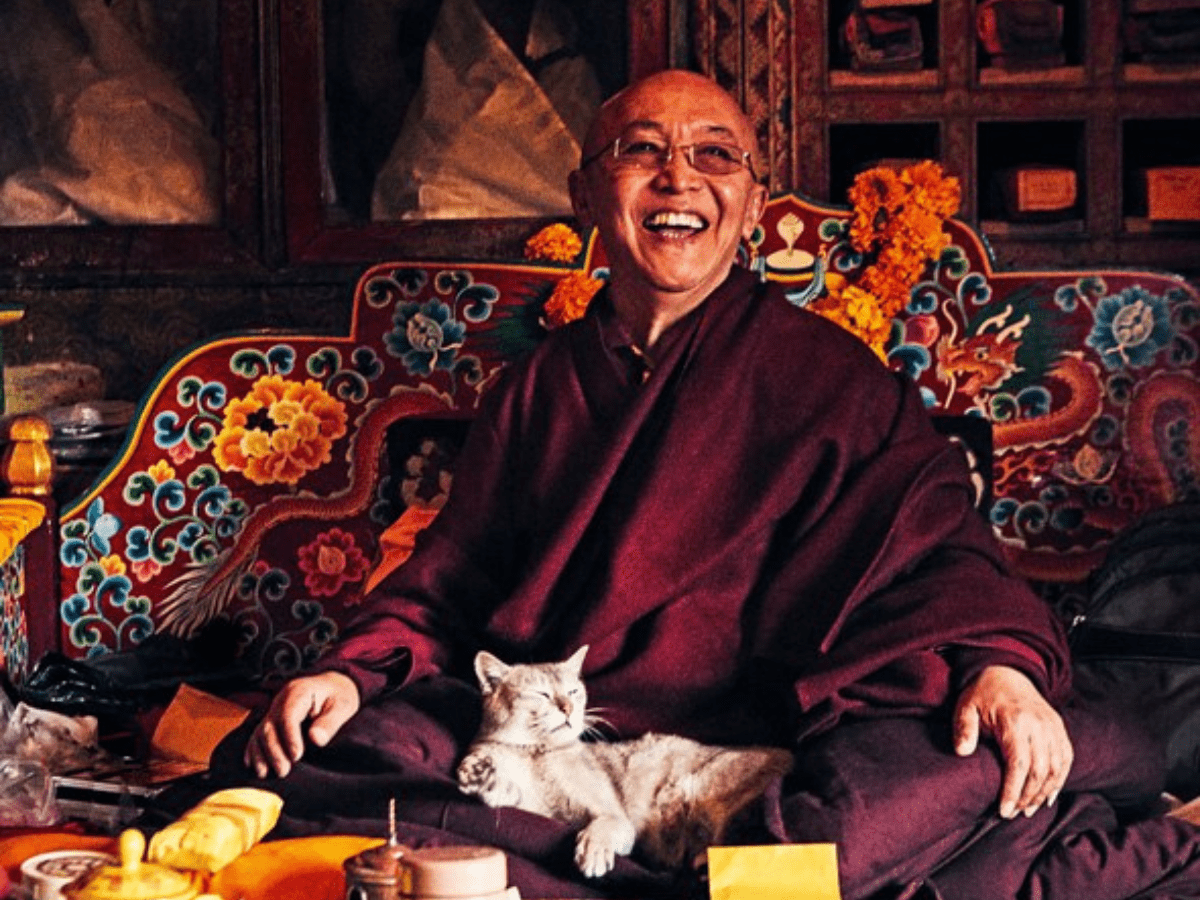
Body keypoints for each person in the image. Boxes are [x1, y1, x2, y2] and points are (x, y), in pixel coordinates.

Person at [233, 70, 1200, 899]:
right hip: (570, 742)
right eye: (641, 150)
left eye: (715, 155)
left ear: (751, 199)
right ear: (585, 191)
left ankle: (604, 870)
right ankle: (725, 883)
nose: (679, 177)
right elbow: (454, 578)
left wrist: (999, 667)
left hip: (782, 745)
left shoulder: (829, 374)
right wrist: (347, 674)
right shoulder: (540, 389)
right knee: (313, 761)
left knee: (928, 785)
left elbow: (941, 553)